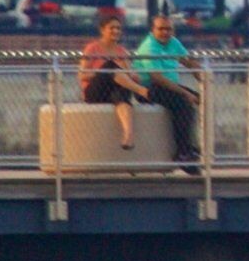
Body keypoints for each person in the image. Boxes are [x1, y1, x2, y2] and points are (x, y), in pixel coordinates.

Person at [133, 11, 202, 166]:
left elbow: (188, 62)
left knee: (199, 98)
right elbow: (157, 77)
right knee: (183, 104)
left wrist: (203, 78)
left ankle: (194, 145)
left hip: (170, 86)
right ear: (153, 30)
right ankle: (182, 151)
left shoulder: (173, 42)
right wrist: (185, 92)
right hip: (149, 88)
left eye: (168, 29)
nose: (165, 32)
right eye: (161, 29)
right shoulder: (149, 47)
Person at [77, 10, 150, 152]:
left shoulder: (122, 51)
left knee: (121, 93)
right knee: (110, 65)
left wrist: (127, 72)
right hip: (95, 92)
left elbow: (132, 75)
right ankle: (141, 91)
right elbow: (82, 75)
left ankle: (128, 135)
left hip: (115, 91)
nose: (116, 31)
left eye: (118, 28)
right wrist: (106, 73)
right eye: (112, 28)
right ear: (102, 30)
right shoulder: (92, 48)